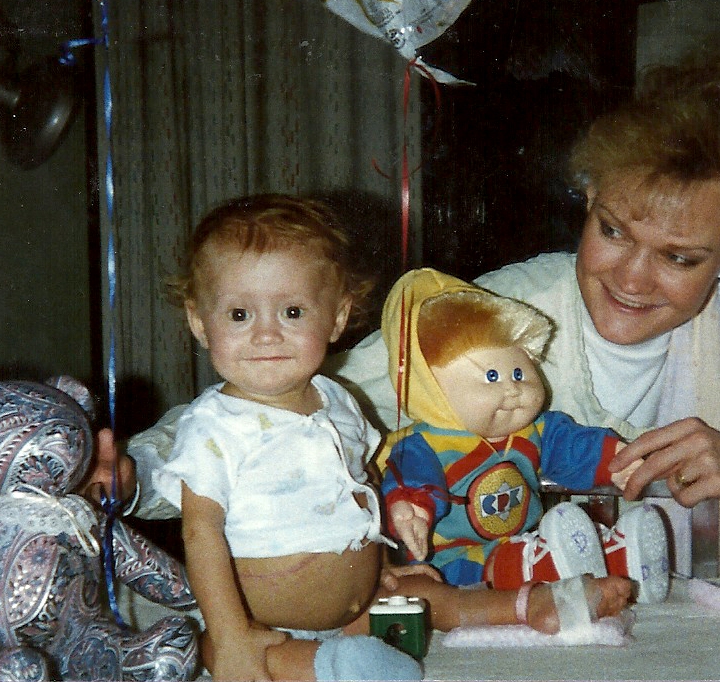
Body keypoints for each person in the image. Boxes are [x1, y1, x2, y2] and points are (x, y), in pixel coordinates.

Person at [91, 50, 720, 576]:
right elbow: (284, 400)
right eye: (613, 231)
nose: (632, 279)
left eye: (680, 258)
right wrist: (134, 473)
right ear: (586, 195)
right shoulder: (504, 313)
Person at [124, 193, 631, 681]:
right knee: (215, 650)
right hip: (261, 619)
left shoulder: (339, 400)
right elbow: (201, 534)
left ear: (338, 317)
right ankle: (331, 669)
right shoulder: (214, 427)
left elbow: (360, 487)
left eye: (292, 312)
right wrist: (234, 633)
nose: (266, 334)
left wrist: (383, 566)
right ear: (198, 319)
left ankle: (532, 605)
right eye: (239, 314)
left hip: (363, 598)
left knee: (435, 600)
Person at [378, 266, 669, 603]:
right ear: (431, 390)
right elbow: (410, 478)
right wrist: (410, 509)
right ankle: (550, 568)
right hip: (450, 563)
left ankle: (623, 561)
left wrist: (618, 459)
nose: (513, 389)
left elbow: (573, 448)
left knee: (554, 547)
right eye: (491, 377)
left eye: (518, 372)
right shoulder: (425, 445)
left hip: (524, 539)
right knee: (506, 563)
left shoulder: (537, 430)